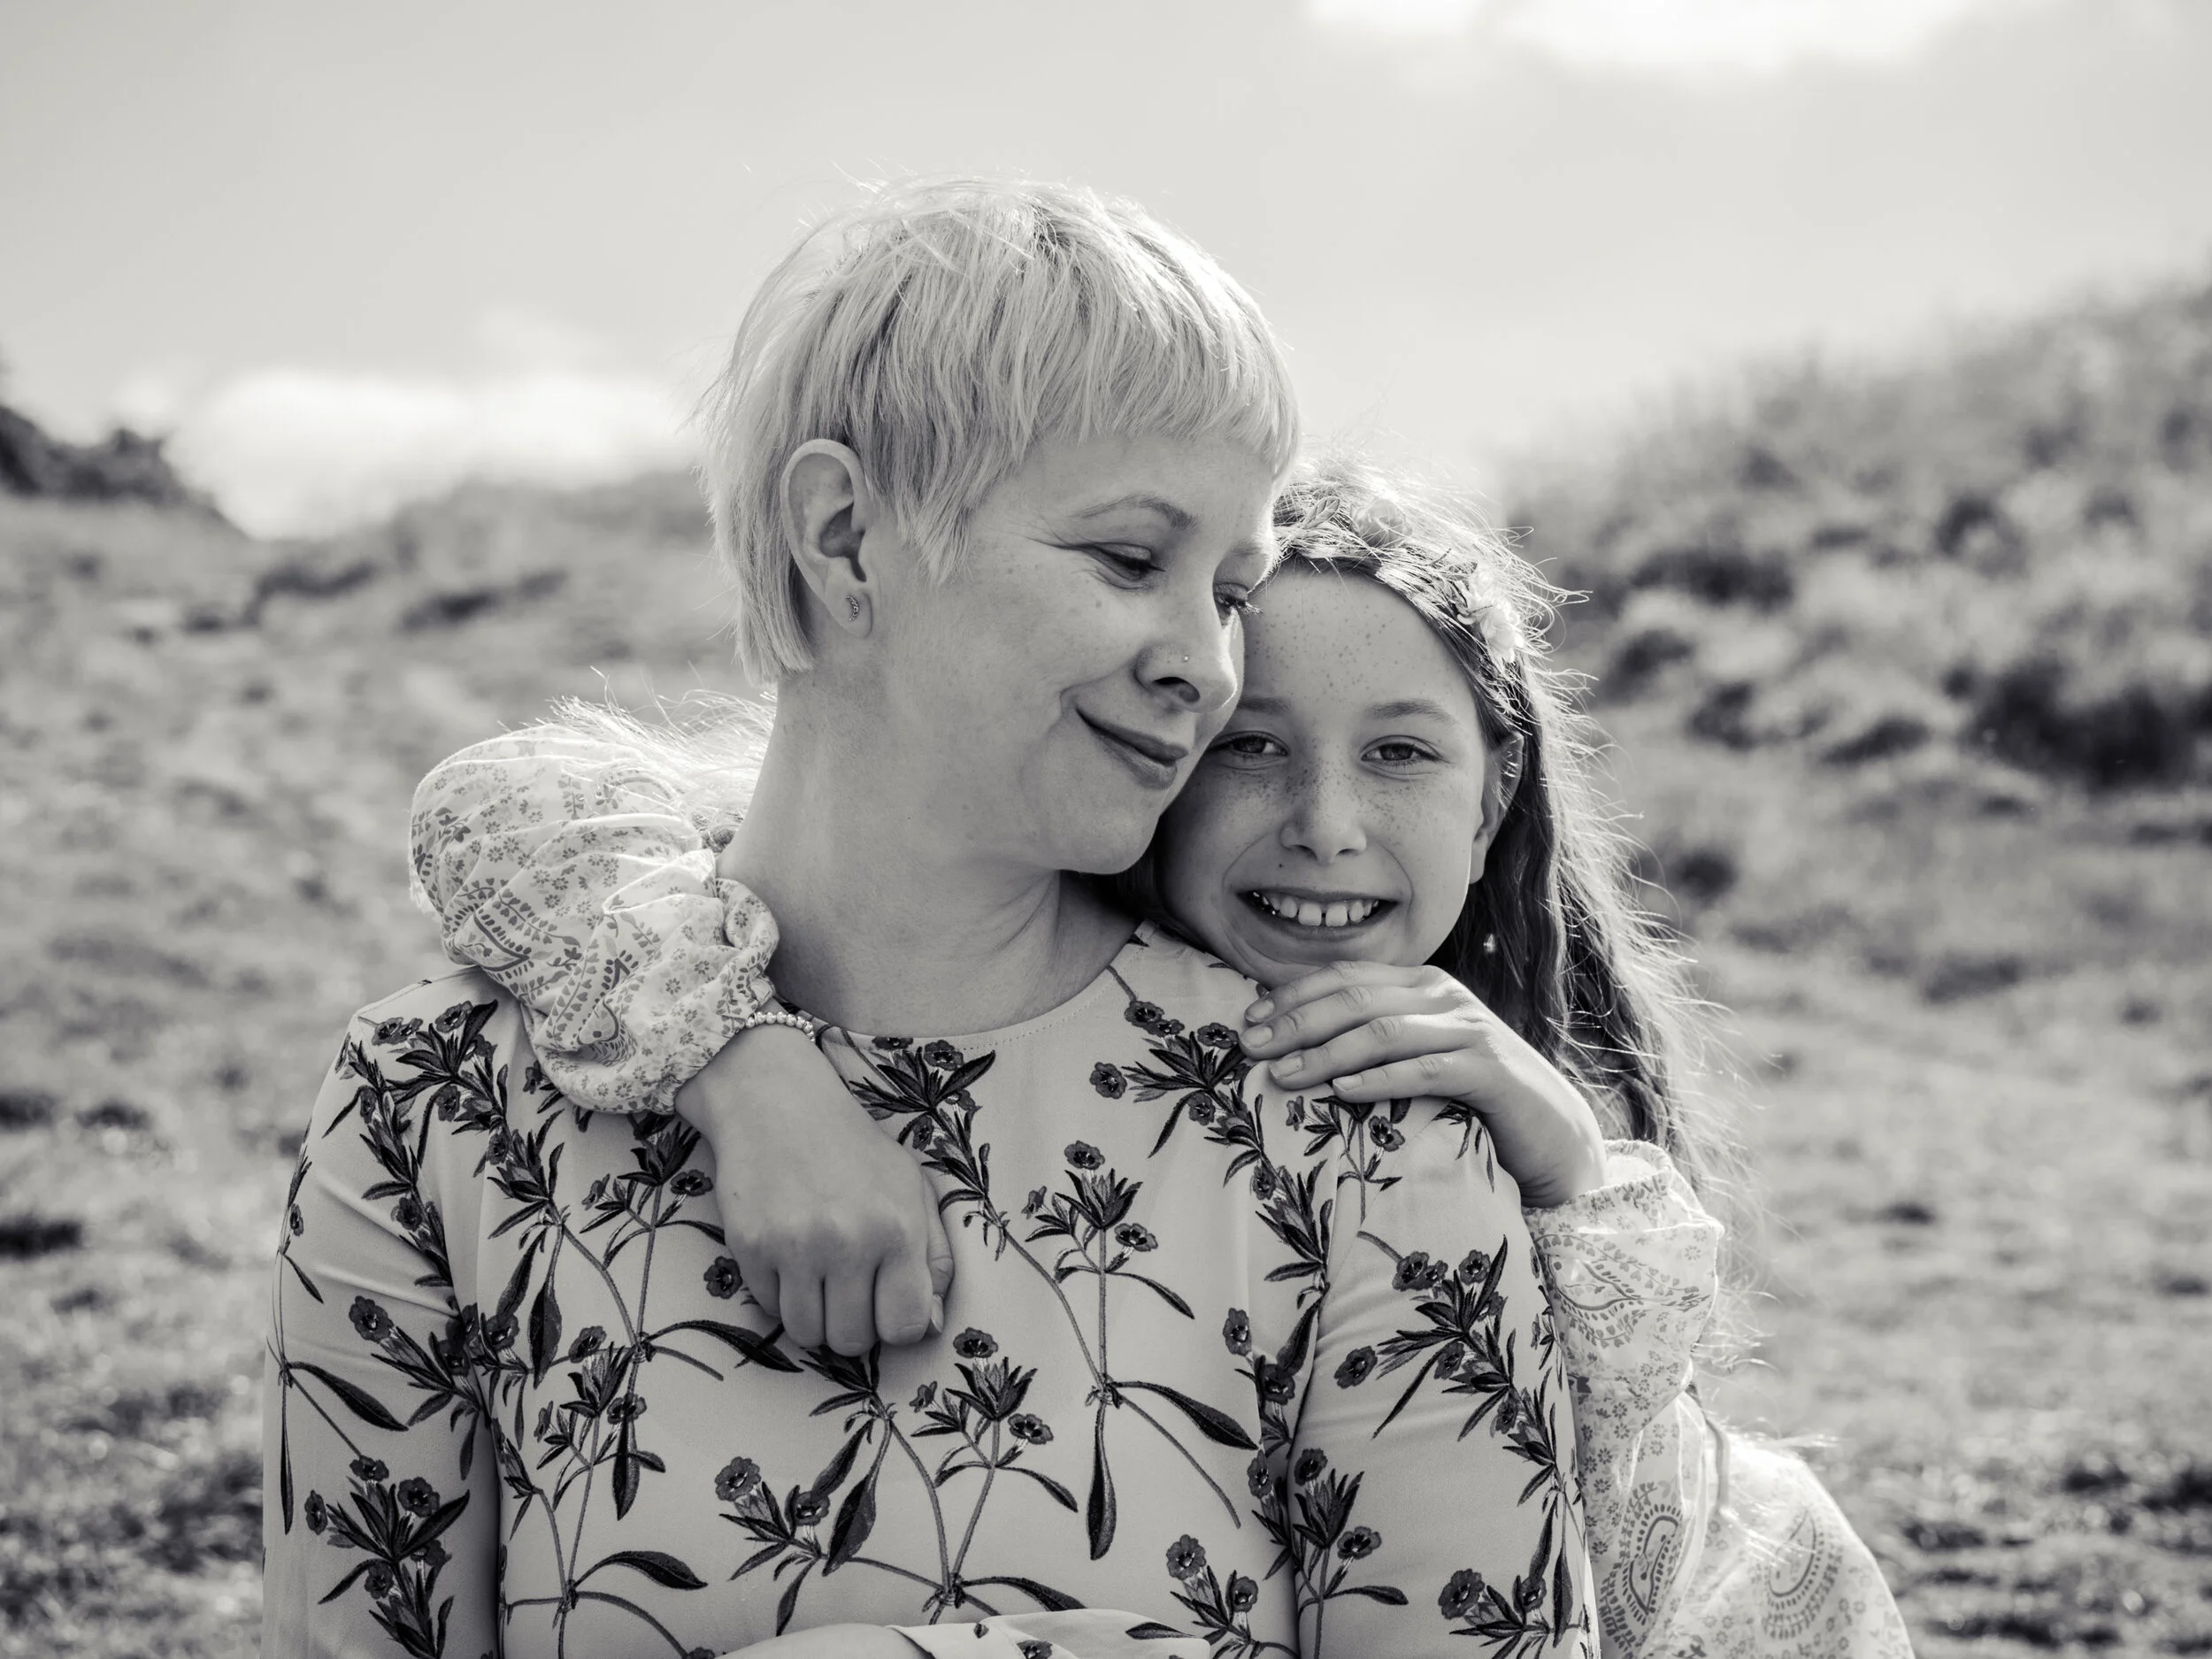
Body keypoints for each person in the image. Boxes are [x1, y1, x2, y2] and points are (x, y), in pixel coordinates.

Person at [266, 178, 1603, 1659]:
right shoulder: (433, 1110)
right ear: (844, 537)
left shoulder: (1363, 1140)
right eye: (1130, 559)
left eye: (1232, 591)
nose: (1206, 666)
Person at [405, 457, 1916, 1659]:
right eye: (1253, 746)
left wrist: (1570, 1164)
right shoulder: (924, 924)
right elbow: (514, 801)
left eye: (1401, 751)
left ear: (1494, 785)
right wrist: (745, 1063)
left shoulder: (1510, 1109)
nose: (1327, 826)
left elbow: (1598, 1544)